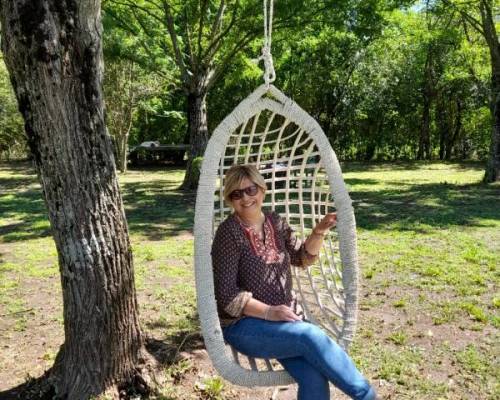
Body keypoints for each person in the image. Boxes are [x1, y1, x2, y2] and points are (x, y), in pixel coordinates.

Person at [211, 164, 377, 400]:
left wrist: (318, 232)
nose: (245, 198)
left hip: (284, 322)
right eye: (236, 194)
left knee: (313, 378)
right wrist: (270, 312)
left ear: (262, 190)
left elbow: (301, 257)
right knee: (309, 336)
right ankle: (367, 396)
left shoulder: (275, 222)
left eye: (250, 190)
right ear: (229, 199)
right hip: (245, 326)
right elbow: (228, 296)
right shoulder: (229, 233)